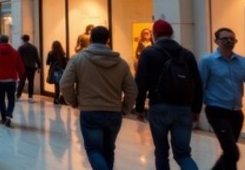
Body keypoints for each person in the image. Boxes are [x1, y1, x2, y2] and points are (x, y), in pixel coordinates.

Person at [58, 26, 138, 170]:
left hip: (90, 112)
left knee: (94, 150)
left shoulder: (79, 59)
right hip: (114, 112)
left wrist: (74, 102)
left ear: (91, 39)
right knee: (108, 150)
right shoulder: (121, 62)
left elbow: (64, 83)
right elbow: (132, 89)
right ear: (107, 40)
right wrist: (125, 109)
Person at [135, 19, 203, 170]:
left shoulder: (149, 53)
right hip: (184, 108)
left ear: (154, 35)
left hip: (159, 107)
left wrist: (139, 108)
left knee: (161, 152)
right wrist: (196, 110)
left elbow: (141, 83)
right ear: (172, 34)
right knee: (184, 154)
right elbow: (198, 84)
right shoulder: (187, 54)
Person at [200, 28, 245, 170]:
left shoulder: (242, 62)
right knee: (232, 153)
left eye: (232, 39)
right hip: (216, 110)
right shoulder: (208, 61)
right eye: (225, 39)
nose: (229, 41)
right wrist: (194, 110)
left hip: (236, 113)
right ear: (216, 41)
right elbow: (200, 86)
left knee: (229, 153)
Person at [0, 35, 24, 127]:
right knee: (11, 98)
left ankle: (3, 117)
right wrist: (20, 76)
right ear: (8, 41)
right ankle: (8, 115)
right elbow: (20, 67)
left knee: (1, 98)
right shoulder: (15, 52)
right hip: (11, 79)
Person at [17, 35, 41, 102]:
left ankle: (18, 95)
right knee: (31, 82)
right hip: (32, 67)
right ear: (29, 39)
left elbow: (18, 58)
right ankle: (30, 96)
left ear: (22, 39)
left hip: (23, 67)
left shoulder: (21, 47)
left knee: (22, 81)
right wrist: (39, 66)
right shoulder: (34, 48)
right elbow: (37, 58)